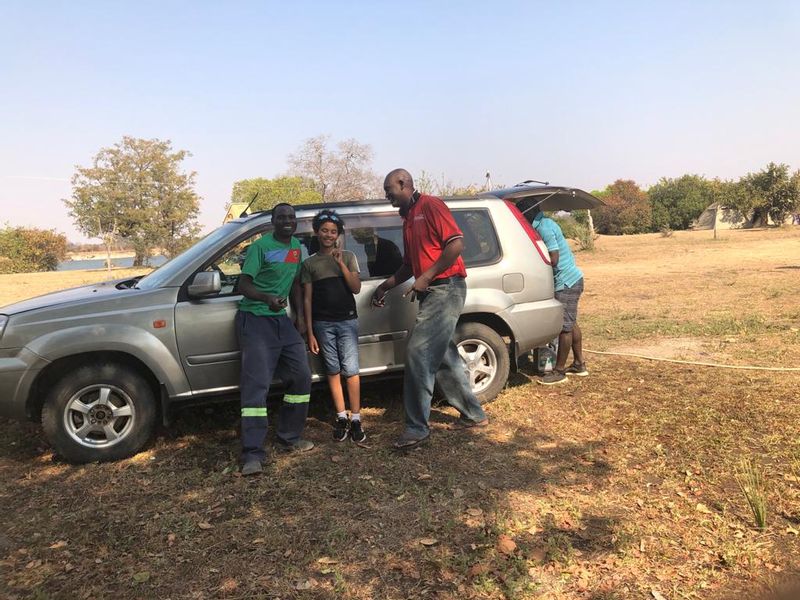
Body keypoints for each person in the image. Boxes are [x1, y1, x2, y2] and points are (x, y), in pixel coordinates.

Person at [372, 168, 488, 449]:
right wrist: (386, 285)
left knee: (418, 353)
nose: (387, 195)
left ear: (404, 183)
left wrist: (425, 277)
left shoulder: (430, 206)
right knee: (443, 356)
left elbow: (456, 244)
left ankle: (416, 428)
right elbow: (410, 265)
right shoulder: (408, 217)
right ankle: (474, 414)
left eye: (390, 190)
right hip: (432, 290)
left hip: (446, 288)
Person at [236, 203, 313, 476]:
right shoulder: (261, 247)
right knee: (257, 385)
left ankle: (289, 436)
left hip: (281, 319)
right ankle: (252, 454)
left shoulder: (297, 248)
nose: (287, 221)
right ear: (273, 221)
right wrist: (266, 297)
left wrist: (300, 317)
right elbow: (243, 284)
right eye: (282, 217)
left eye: (291, 217)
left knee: (302, 376)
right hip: (255, 318)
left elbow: (294, 283)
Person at [301, 209, 366, 443]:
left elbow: (356, 287)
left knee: (351, 370)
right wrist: (310, 332)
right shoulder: (309, 264)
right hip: (323, 324)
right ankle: (341, 416)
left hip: (347, 321)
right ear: (317, 232)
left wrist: (341, 265)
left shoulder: (347, 256)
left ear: (338, 234)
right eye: (324, 231)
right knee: (333, 370)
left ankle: (356, 418)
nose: (328, 235)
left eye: (333, 231)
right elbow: (307, 299)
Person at [529, 206, 588, 385]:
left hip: (567, 282)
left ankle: (559, 371)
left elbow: (553, 258)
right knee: (571, 322)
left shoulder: (543, 227)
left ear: (528, 211)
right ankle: (579, 364)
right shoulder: (544, 223)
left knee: (564, 327)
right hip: (571, 279)